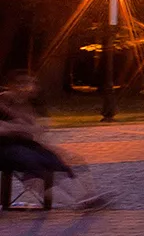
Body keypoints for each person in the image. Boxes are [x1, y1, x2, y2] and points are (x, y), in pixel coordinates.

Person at [0, 72, 107, 209]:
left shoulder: (21, 104)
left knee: (53, 160)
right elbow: (10, 129)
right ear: (13, 86)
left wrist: (20, 124)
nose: (29, 89)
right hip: (4, 147)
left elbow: (34, 128)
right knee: (32, 163)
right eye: (24, 85)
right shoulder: (4, 101)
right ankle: (72, 203)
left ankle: (83, 198)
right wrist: (18, 126)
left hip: (22, 144)